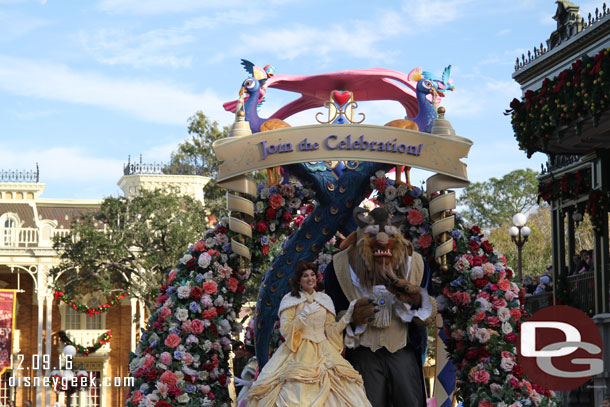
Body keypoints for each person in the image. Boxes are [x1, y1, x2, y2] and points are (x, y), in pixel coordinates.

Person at [247, 261, 371, 407]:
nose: (310, 278)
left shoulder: (324, 299)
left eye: (312, 275)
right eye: (305, 276)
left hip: (324, 350)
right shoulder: (291, 300)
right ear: (299, 280)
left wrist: (347, 317)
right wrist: (302, 317)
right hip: (298, 350)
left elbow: (331, 330)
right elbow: (286, 330)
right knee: (296, 391)